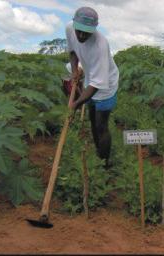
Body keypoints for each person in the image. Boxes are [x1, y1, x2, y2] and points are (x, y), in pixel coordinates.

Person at [65, 6, 119, 168]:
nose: (81, 36)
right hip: (90, 78)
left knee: (101, 125)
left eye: (86, 32)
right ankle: (98, 151)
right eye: (79, 31)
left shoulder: (100, 45)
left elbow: (97, 85)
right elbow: (73, 51)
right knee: (92, 120)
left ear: (94, 29)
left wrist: (75, 104)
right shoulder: (69, 28)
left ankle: (105, 164)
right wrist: (75, 70)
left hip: (105, 85)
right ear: (74, 25)